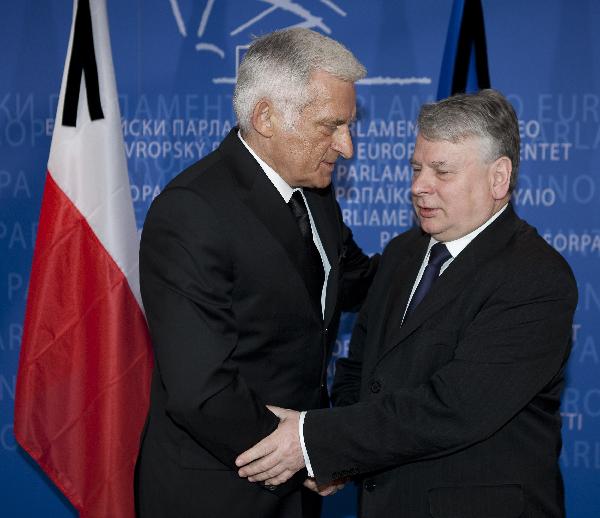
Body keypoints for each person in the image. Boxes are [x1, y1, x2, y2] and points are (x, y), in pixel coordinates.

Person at [235, 89, 578, 518]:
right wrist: (341, 454)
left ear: (499, 177)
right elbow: (360, 370)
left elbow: (454, 409)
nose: (419, 186)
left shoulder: (535, 277)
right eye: (416, 168)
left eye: (442, 171)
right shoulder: (402, 253)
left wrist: (315, 440)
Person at [135, 28, 378, 518]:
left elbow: (355, 283)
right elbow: (201, 390)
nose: (346, 146)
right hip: (217, 491)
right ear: (266, 117)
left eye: (348, 126)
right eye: (331, 126)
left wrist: (447, 254)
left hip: (293, 485)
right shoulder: (193, 211)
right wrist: (308, 455)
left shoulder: (315, 194)